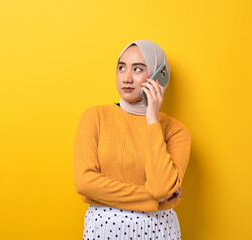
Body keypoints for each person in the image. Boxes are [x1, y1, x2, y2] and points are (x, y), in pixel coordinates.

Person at [72, 40, 191, 240]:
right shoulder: (95, 117)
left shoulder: (176, 131)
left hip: (159, 231)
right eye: (121, 68)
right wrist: (156, 200)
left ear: (158, 75)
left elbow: (162, 187)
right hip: (104, 230)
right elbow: (84, 183)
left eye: (137, 69)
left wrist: (152, 120)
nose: (126, 78)